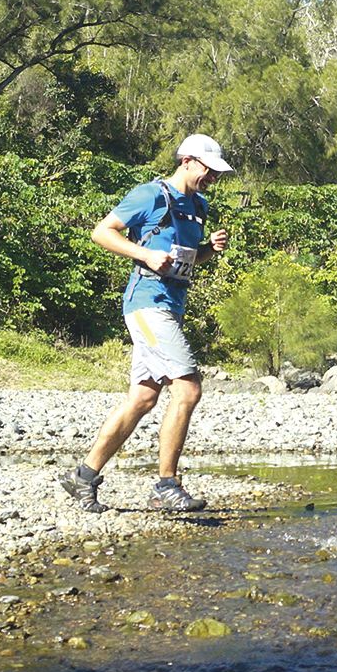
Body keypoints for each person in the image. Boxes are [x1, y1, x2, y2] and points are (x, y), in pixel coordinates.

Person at [59, 134, 233, 513]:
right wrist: (144, 255)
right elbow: (102, 232)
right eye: (208, 170)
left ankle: (82, 478)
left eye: (216, 173)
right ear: (187, 161)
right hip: (146, 305)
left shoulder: (198, 205)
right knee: (187, 389)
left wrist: (209, 250)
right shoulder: (150, 195)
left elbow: (185, 259)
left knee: (143, 398)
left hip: (171, 305)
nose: (212, 178)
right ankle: (166, 485)